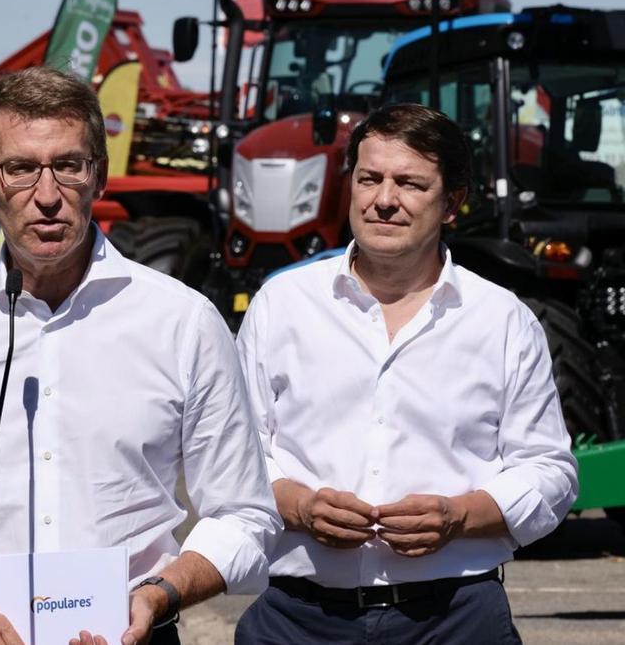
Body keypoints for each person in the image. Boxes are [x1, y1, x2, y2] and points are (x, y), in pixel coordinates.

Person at [0, 67, 279, 645]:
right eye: (20, 168)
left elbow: (244, 516)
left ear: (96, 176)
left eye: (68, 165)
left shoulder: (184, 322)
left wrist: (159, 594)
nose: (46, 195)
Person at [233, 103, 578, 644]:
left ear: (452, 203)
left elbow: (551, 470)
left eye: (410, 184)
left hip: (455, 619)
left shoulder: (502, 319)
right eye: (369, 179)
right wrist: (300, 506)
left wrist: (459, 516)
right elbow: (237, 452)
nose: (384, 200)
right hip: (299, 618)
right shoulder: (283, 304)